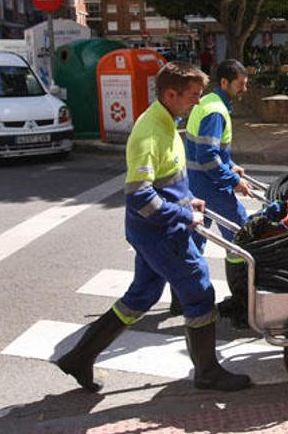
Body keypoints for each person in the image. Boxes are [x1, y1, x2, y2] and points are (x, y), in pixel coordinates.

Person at [55, 62, 251, 393]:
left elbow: (170, 179)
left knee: (142, 295)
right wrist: (184, 215)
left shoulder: (168, 122)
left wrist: (190, 200)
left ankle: (79, 357)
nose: (197, 102)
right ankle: (207, 372)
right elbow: (140, 197)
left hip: (153, 231)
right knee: (200, 292)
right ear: (170, 93)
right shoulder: (149, 132)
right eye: (192, 96)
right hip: (161, 233)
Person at [183, 59, 252, 325]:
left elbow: (217, 152)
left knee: (195, 241)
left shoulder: (212, 103)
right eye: (241, 84)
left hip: (199, 184)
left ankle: (185, 298)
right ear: (225, 82)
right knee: (241, 236)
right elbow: (207, 156)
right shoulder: (215, 111)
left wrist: (232, 166)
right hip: (210, 185)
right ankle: (242, 304)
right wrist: (231, 181)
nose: (244, 89)